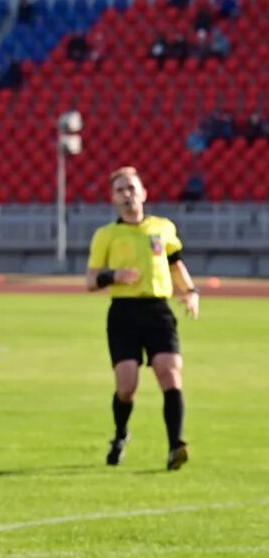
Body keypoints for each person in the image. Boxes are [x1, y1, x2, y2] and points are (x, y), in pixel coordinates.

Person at [85, 166, 199, 470]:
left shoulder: (163, 228)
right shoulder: (107, 235)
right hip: (123, 313)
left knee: (169, 372)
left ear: (144, 193)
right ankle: (120, 435)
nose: (127, 194)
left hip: (158, 310)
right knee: (127, 386)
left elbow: (175, 263)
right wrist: (114, 275)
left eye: (132, 188)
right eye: (120, 190)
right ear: (112, 198)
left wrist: (190, 291)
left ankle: (176, 445)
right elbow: (91, 281)